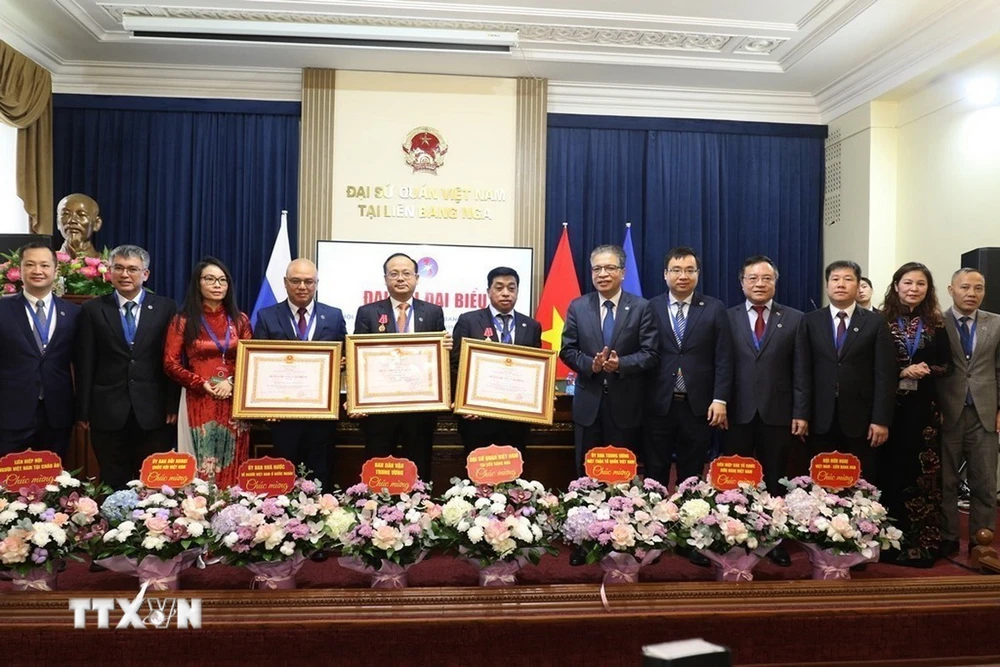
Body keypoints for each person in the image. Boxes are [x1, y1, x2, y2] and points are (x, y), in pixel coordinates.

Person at [723, 255, 808, 567]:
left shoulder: (796, 318)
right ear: (742, 282)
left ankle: (773, 541)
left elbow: (801, 370)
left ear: (775, 282)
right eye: (753, 278)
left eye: (766, 278)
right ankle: (735, 537)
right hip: (737, 412)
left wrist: (800, 411)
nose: (759, 284)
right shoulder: (726, 317)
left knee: (775, 478)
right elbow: (722, 365)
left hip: (778, 412)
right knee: (736, 478)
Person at [75, 245, 180, 489]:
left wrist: (172, 404)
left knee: (151, 483)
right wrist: (83, 411)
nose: (125, 274)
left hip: (154, 410)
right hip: (107, 411)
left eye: (132, 269)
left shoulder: (166, 307)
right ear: (109, 272)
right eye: (119, 268)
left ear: (145, 274)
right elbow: (85, 363)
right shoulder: (93, 310)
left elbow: (173, 360)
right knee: (114, 480)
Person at [875, 263, 951, 567]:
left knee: (922, 476)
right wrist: (900, 371)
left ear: (928, 289)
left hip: (924, 413)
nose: (913, 289)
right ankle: (886, 543)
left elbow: (948, 365)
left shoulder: (936, 324)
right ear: (896, 286)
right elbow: (871, 365)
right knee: (889, 471)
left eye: (921, 284)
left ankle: (922, 545)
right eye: (907, 283)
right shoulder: (879, 321)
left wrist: (927, 369)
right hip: (889, 408)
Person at [560, 244, 659, 475]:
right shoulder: (578, 306)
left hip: (626, 406)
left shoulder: (641, 308)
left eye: (609, 268)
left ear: (623, 272)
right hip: (588, 405)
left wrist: (621, 364)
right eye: (597, 269)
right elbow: (567, 350)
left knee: (620, 474)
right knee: (587, 474)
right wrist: (590, 365)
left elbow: (651, 353)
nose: (602, 274)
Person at [352, 253, 452, 480]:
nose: (400, 278)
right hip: (380, 409)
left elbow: (438, 359)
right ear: (385, 279)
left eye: (406, 273)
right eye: (393, 273)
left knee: (418, 468)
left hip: (419, 409)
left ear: (417, 278)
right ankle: (376, 511)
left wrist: (445, 347)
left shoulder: (433, 312)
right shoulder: (367, 312)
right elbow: (360, 359)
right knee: (377, 467)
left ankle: (419, 513)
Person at [797, 260, 897, 481]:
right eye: (835, 279)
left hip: (861, 420)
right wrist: (801, 414)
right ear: (826, 285)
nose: (841, 284)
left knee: (861, 481)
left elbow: (884, 375)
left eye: (848, 279)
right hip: (819, 418)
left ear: (859, 285)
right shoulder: (810, 321)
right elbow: (802, 372)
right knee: (820, 481)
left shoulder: (875, 323)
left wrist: (880, 419)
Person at [254, 258, 347, 488]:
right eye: (296, 281)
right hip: (283, 414)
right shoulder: (267, 316)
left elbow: (347, 355)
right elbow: (258, 364)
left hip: (321, 414)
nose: (302, 286)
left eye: (308, 281)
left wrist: (343, 362)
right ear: (285, 283)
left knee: (320, 473)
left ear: (316, 284)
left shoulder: (334, 316)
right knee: (284, 476)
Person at [644, 246, 733, 488]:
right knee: (655, 470)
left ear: (698, 274)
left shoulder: (714, 308)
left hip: (698, 405)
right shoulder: (650, 307)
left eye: (689, 270)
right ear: (665, 274)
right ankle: (651, 516)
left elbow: (724, 358)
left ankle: (689, 517)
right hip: (658, 402)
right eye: (676, 270)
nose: (682, 276)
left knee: (692, 471)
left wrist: (720, 399)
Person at [163, 257, 252, 488]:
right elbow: (170, 363)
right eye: (210, 279)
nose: (217, 285)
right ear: (198, 283)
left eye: (223, 280)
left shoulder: (240, 320)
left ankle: (232, 513)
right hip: (197, 397)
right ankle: (198, 516)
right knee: (200, 464)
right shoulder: (183, 320)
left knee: (232, 461)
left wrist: (231, 382)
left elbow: (250, 360)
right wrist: (199, 382)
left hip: (233, 399)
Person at [938, 268, 1000, 559]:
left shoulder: (996, 324)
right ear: (951, 290)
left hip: (984, 414)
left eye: (978, 288)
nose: (971, 293)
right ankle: (948, 536)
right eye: (965, 288)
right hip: (947, 414)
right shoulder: (936, 322)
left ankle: (981, 540)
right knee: (945, 481)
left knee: (985, 482)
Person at [451, 267, 543, 455]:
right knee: (478, 476)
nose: (505, 293)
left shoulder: (531, 326)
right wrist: (463, 403)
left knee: (513, 476)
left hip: (516, 419)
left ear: (517, 291)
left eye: (511, 288)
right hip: (478, 418)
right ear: (488, 291)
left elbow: (536, 370)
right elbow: (455, 365)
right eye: (499, 288)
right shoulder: (468, 321)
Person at [0, 242, 80, 457]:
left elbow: (80, 363)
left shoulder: (73, 313)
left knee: (53, 481)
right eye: (30, 265)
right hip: (10, 413)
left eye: (44, 265)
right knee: (8, 482)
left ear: (56, 270)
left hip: (57, 413)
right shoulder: (3, 309)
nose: (37, 271)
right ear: (20, 270)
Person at [56, 193, 102, 259]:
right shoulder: (46, 262)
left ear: (96, 224)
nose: (72, 220)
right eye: (66, 214)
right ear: (58, 222)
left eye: (81, 215)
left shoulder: (108, 263)